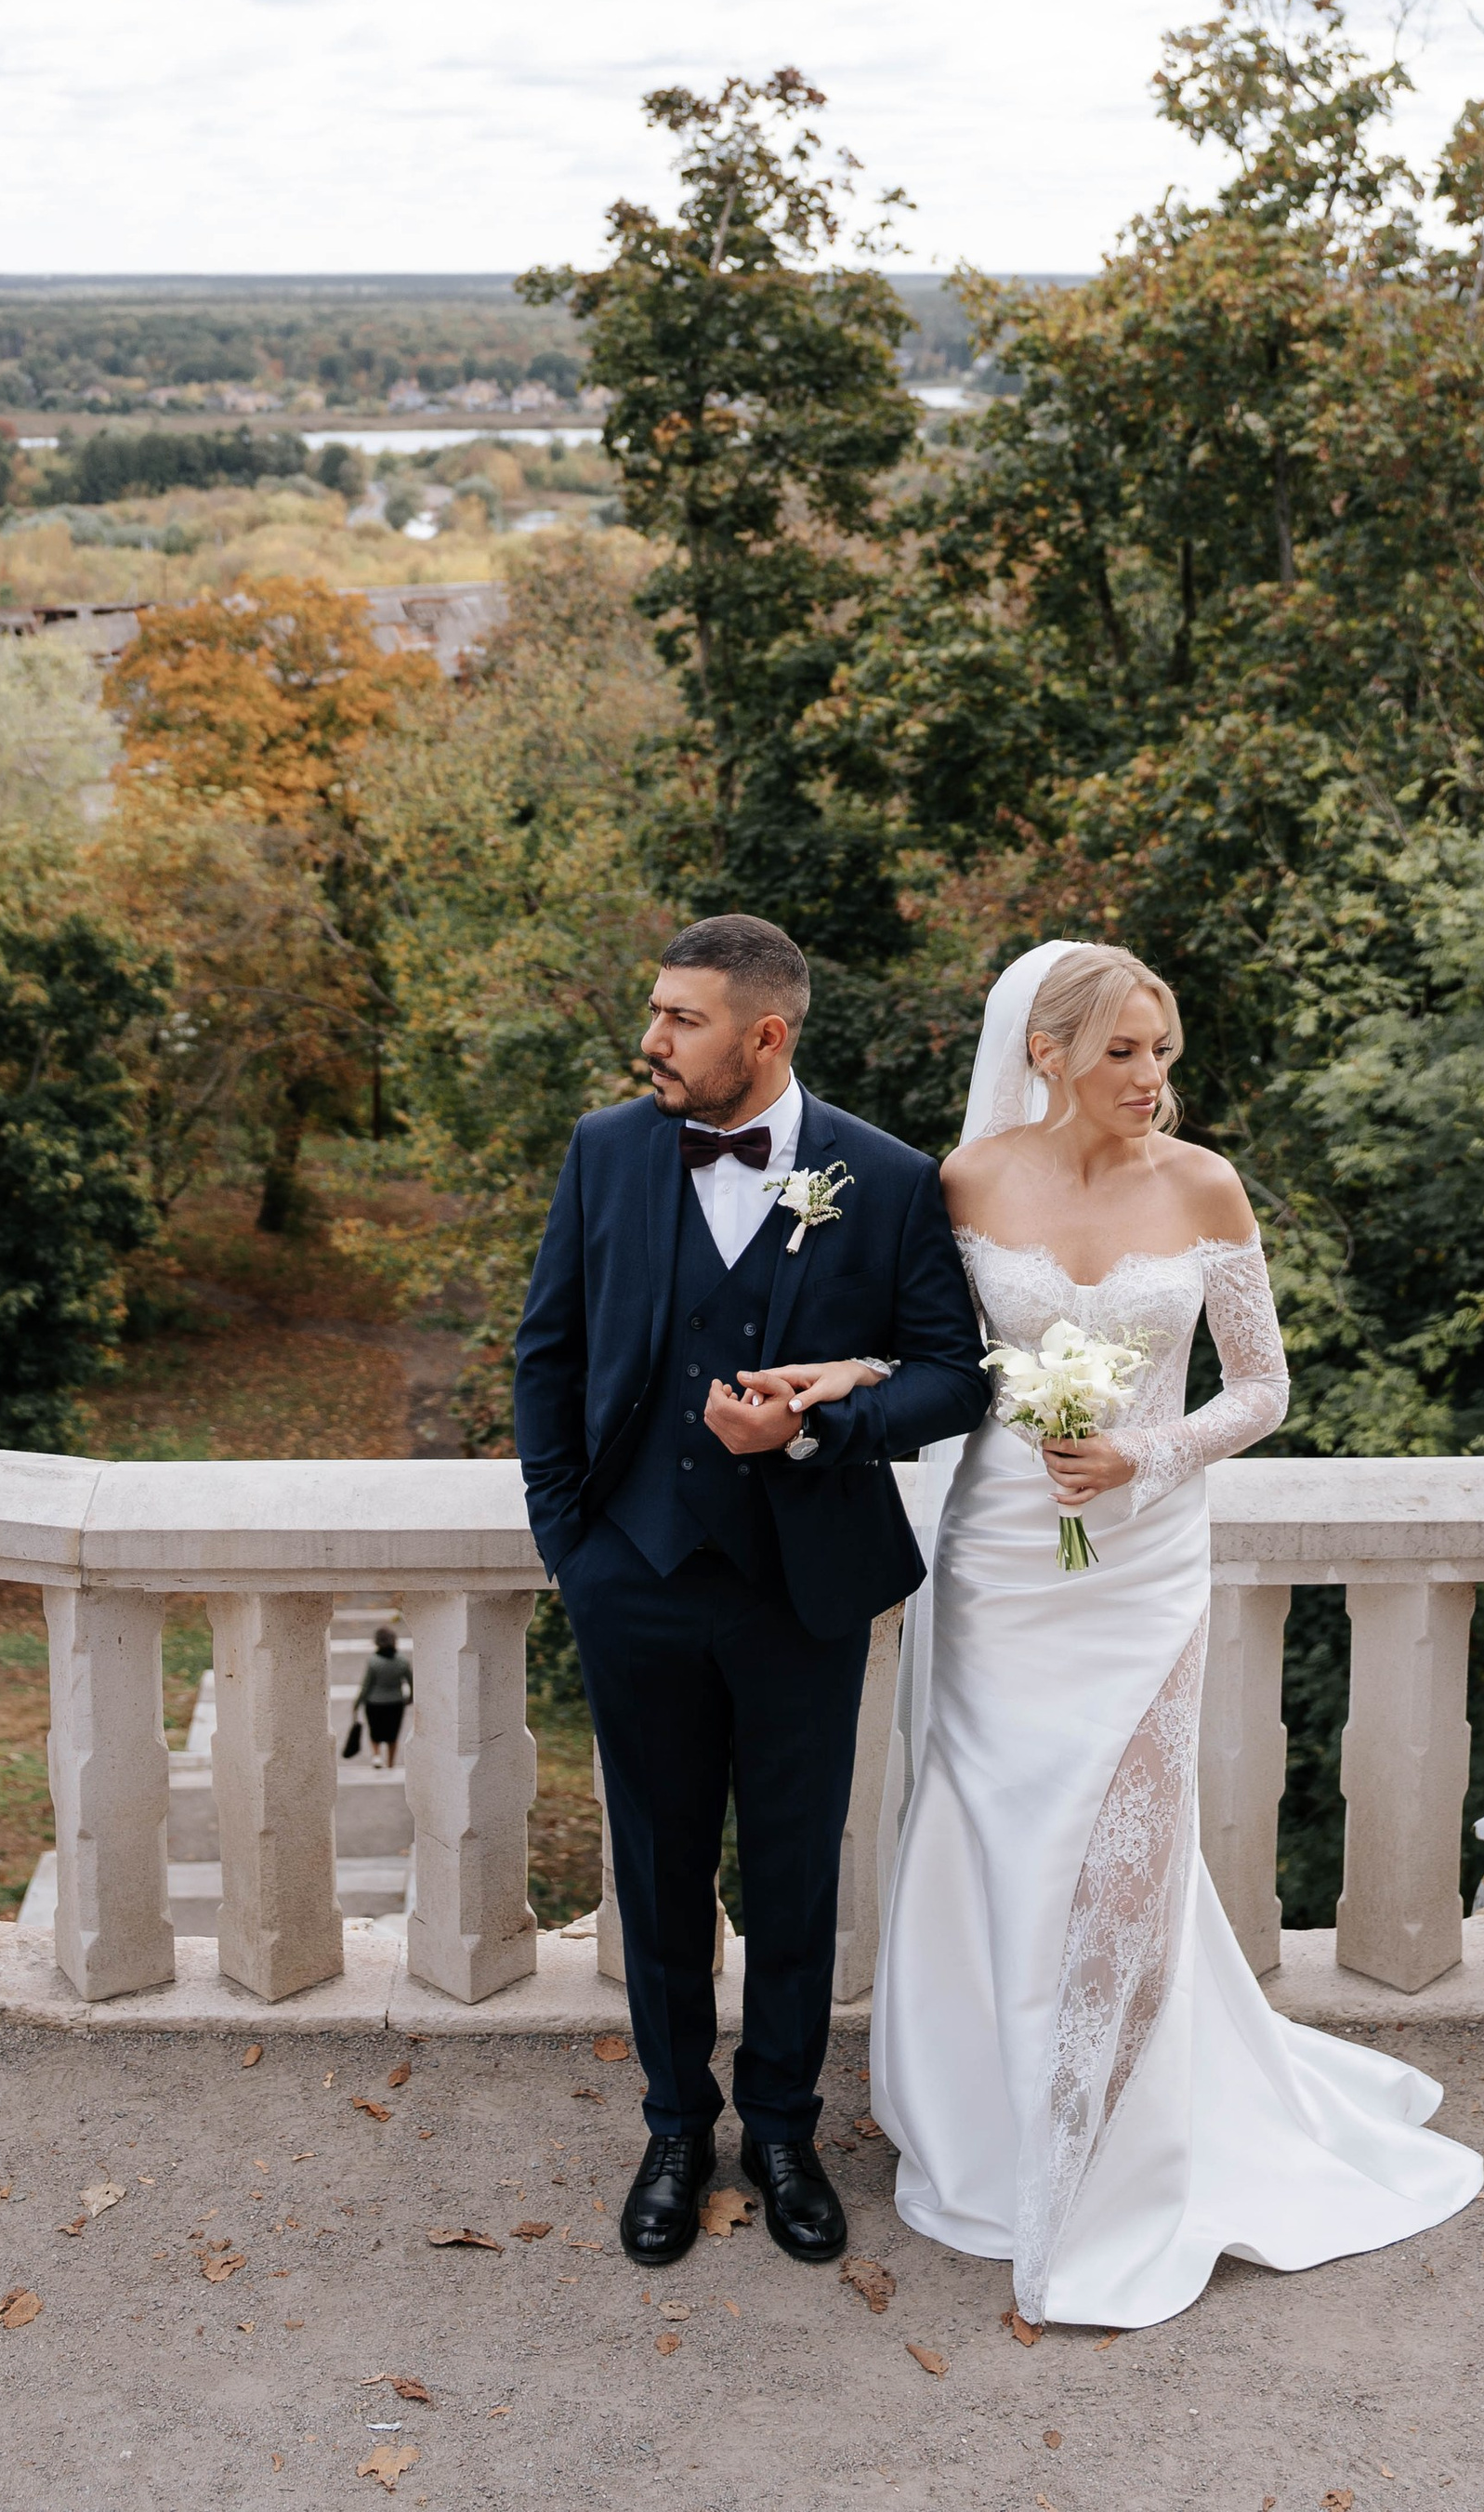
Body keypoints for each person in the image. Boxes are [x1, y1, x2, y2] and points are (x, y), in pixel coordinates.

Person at [756, 940, 1482, 2332]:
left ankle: (1119, 2134)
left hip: (1142, 1564)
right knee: (996, 1822)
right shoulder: (965, 1182)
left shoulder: (1204, 1185)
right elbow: (933, 1355)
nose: (1151, 1080)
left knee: (1127, 1837)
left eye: (1163, 1054)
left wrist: (1146, 1458)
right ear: (1048, 1055)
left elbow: (1261, 1387)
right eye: (1123, 1054)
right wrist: (837, 1373)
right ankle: (989, 2116)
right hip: (1005, 1562)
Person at [512, 913, 990, 2273]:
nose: (650, 1039)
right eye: (655, 1011)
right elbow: (546, 1352)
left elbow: (951, 1375)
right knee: (658, 1868)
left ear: (764, 1036)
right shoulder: (606, 1151)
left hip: (801, 1587)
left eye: (681, 1019)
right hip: (635, 1577)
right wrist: (572, 1543)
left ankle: (784, 2128)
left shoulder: (888, 1179)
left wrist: (824, 1428)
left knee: (791, 1870)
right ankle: (677, 2127)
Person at [356, 1625, 411, 1767]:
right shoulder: (402, 1661)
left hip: (374, 1702)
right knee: (393, 1735)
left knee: (375, 1731)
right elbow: (412, 1681)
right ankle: (391, 1763)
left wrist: (357, 1703)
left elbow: (366, 1685)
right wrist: (410, 1698)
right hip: (396, 1703)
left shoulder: (373, 1661)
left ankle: (377, 1756)